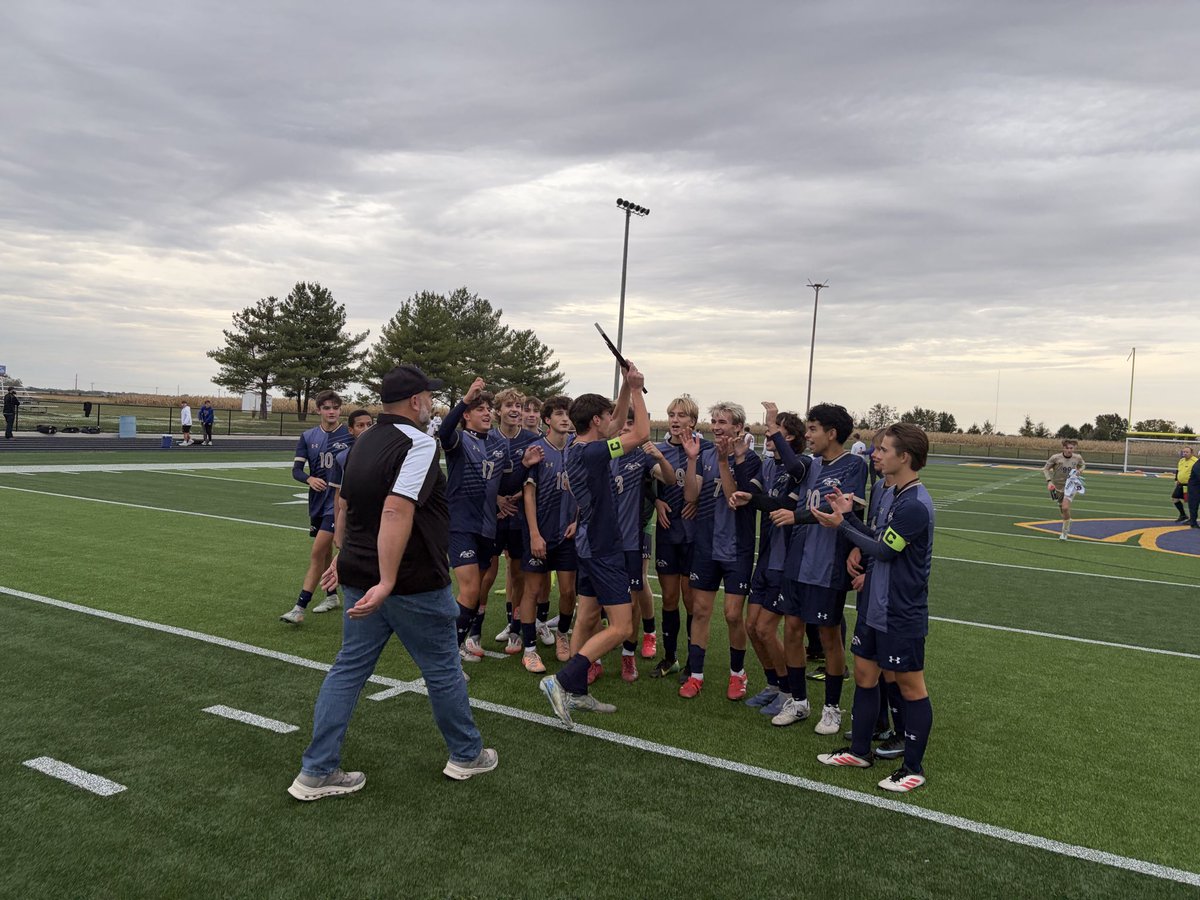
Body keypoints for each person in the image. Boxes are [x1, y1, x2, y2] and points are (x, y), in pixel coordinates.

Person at [287, 364, 496, 800]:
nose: (433, 404)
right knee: (443, 670)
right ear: (416, 401)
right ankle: (467, 754)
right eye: (429, 397)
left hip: (362, 576)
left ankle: (317, 770)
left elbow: (350, 507)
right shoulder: (417, 443)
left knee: (348, 669)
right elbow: (395, 511)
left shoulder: (362, 442)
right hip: (409, 580)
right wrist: (386, 579)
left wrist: (346, 561)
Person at [814, 423, 935, 793]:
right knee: (866, 676)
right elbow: (874, 540)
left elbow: (884, 550)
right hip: (873, 606)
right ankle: (860, 751)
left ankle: (913, 768)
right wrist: (848, 516)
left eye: (883, 450)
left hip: (900, 610)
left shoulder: (914, 504)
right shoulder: (890, 492)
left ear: (905, 457)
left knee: (912, 687)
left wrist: (841, 526)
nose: (875, 455)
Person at [539, 362, 649, 727]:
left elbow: (616, 425)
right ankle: (563, 681)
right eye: (606, 417)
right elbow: (641, 432)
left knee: (587, 616)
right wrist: (636, 388)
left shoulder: (579, 445)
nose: (613, 422)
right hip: (602, 547)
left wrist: (621, 388)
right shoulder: (592, 452)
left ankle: (578, 691)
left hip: (589, 544)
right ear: (596, 422)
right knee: (621, 627)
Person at [771, 402, 867, 735]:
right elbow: (791, 464)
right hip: (798, 560)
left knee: (829, 637)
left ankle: (831, 708)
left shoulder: (854, 465)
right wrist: (772, 426)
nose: (808, 435)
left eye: (813, 429)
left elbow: (835, 510)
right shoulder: (810, 465)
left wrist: (795, 516)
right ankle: (798, 702)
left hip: (828, 565)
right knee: (793, 629)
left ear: (832, 433)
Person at [681, 402, 761, 700]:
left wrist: (725, 461)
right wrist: (691, 461)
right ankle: (696, 675)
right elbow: (690, 495)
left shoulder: (751, 460)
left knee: (731, 615)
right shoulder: (704, 454)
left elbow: (733, 498)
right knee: (700, 611)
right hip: (706, 543)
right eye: (713, 421)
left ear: (738, 427)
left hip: (737, 547)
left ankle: (738, 674)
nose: (716, 426)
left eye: (723, 422)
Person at [281, 391, 352, 623]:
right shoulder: (308, 436)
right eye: (326, 407)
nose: (331, 411)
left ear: (340, 410)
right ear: (318, 410)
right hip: (318, 501)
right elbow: (296, 471)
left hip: (338, 502)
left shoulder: (349, 434)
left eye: (335, 407)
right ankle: (331, 596)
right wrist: (309, 479)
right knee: (324, 552)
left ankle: (299, 607)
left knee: (316, 553)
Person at [519, 395, 578, 671]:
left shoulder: (578, 450)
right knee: (533, 590)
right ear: (547, 420)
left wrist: (577, 521)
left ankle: (562, 634)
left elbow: (583, 492)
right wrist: (534, 534)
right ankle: (529, 649)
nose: (565, 419)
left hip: (567, 535)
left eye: (568, 414)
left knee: (568, 591)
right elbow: (528, 495)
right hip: (540, 533)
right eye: (559, 414)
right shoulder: (537, 449)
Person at [650, 395, 700, 679]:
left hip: (694, 535)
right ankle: (670, 657)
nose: (675, 420)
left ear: (692, 421)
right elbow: (645, 482)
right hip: (668, 533)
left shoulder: (702, 450)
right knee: (669, 598)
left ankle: (695, 661)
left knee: (691, 599)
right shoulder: (657, 450)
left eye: (681, 415)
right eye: (672, 414)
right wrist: (657, 500)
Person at [1042, 439, 1085, 541]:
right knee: (1062, 509)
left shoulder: (1077, 457)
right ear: (1063, 448)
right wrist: (1049, 481)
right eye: (1067, 448)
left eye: (1071, 448)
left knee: (1065, 508)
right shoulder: (1055, 458)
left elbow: (1083, 465)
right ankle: (1068, 521)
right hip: (1057, 486)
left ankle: (1064, 533)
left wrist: (1080, 471)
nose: (1069, 450)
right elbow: (1045, 469)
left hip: (1071, 486)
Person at [1172, 447, 1196, 523]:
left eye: (1187, 452)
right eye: (1184, 452)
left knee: (1190, 502)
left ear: (1191, 453)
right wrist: (1176, 479)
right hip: (1180, 484)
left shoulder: (1195, 461)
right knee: (1175, 498)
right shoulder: (1181, 460)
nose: (1185, 453)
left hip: (1190, 485)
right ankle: (1183, 515)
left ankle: (1192, 519)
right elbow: (1178, 470)